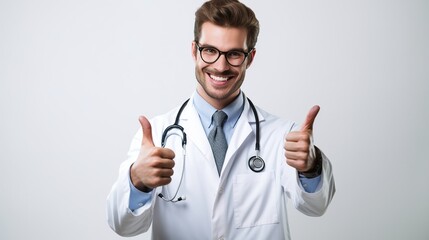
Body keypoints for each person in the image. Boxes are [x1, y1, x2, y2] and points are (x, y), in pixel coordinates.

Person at [107, 0, 335, 239]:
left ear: (250, 57)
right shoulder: (157, 134)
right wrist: (137, 181)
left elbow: (315, 206)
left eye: (234, 54)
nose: (220, 65)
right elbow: (123, 226)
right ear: (194, 50)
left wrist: (311, 167)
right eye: (210, 51)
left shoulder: (281, 135)